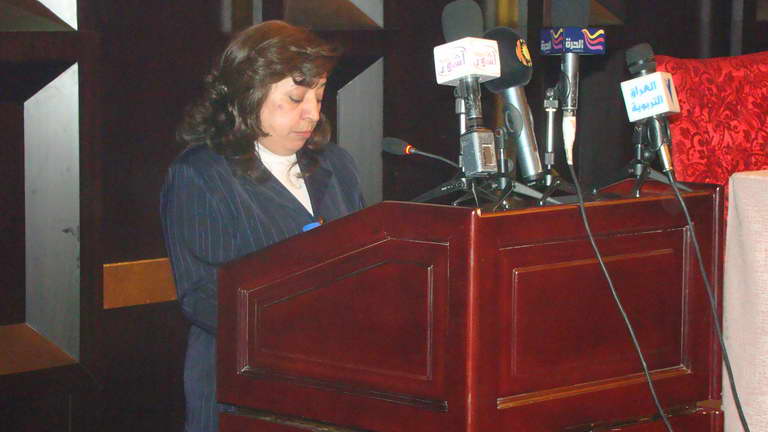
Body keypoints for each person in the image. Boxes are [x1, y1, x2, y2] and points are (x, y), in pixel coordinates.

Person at [160, 20, 365, 432]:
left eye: (319, 96)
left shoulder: (337, 164)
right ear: (248, 94)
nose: (312, 113)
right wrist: (304, 325)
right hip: (245, 391)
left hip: (333, 386)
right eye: (295, 98)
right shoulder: (202, 173)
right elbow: (203, 296)